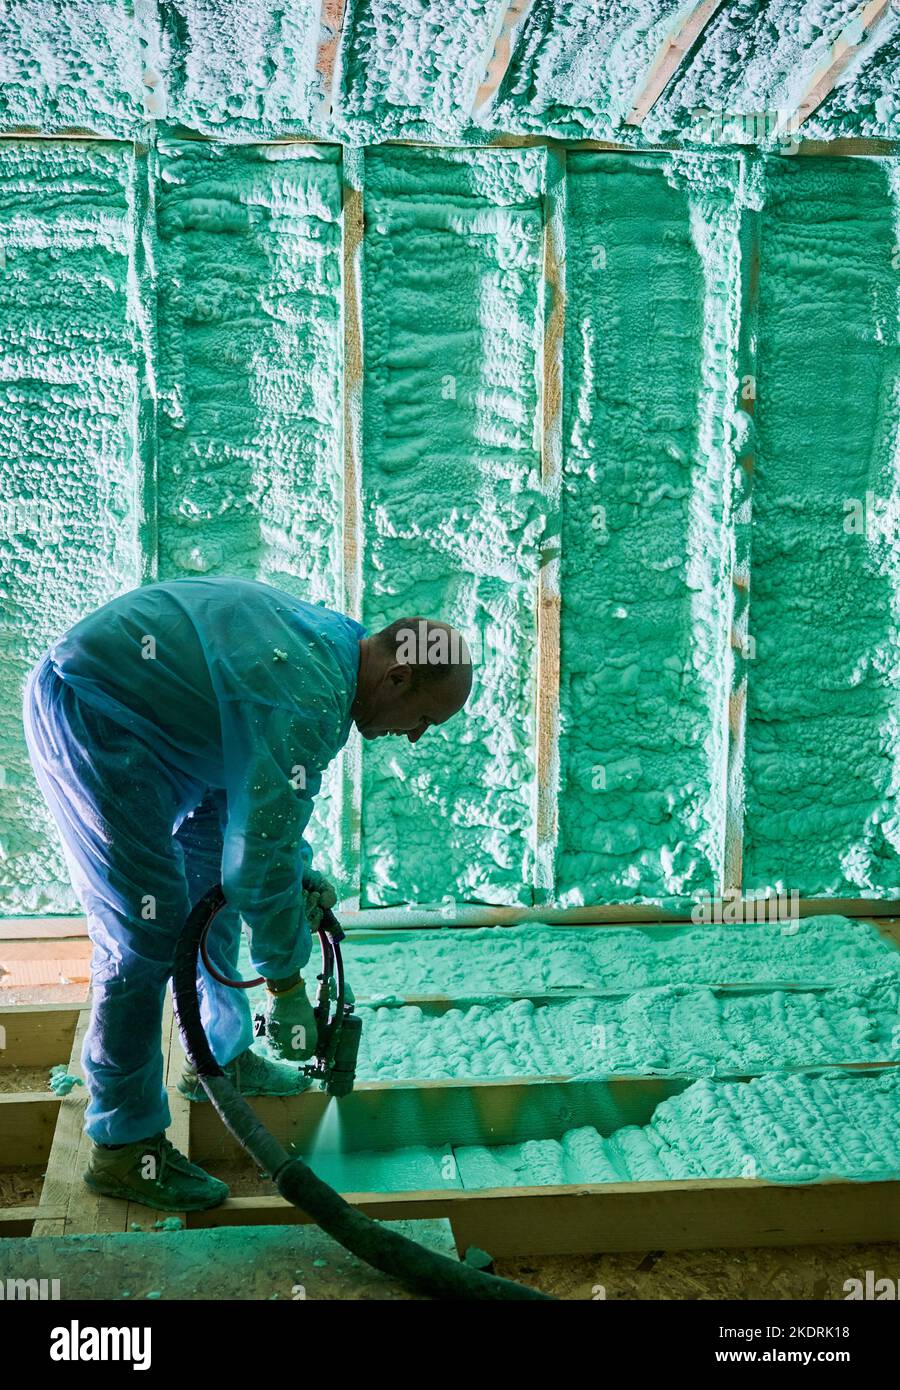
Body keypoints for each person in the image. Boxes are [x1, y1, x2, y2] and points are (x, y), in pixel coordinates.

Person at [23, 577, 472, 1211]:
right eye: (426, 718)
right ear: (399, 679)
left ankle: (219, 1055)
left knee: (216, 888)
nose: (419, 734)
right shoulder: (314, 692)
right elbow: (259, 857)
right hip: (98, 713)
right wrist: (287, 986)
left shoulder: (340, 651)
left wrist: (297, 871)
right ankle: (125, 1148)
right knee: (145, 931)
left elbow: (262, 815)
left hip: (166, 728)